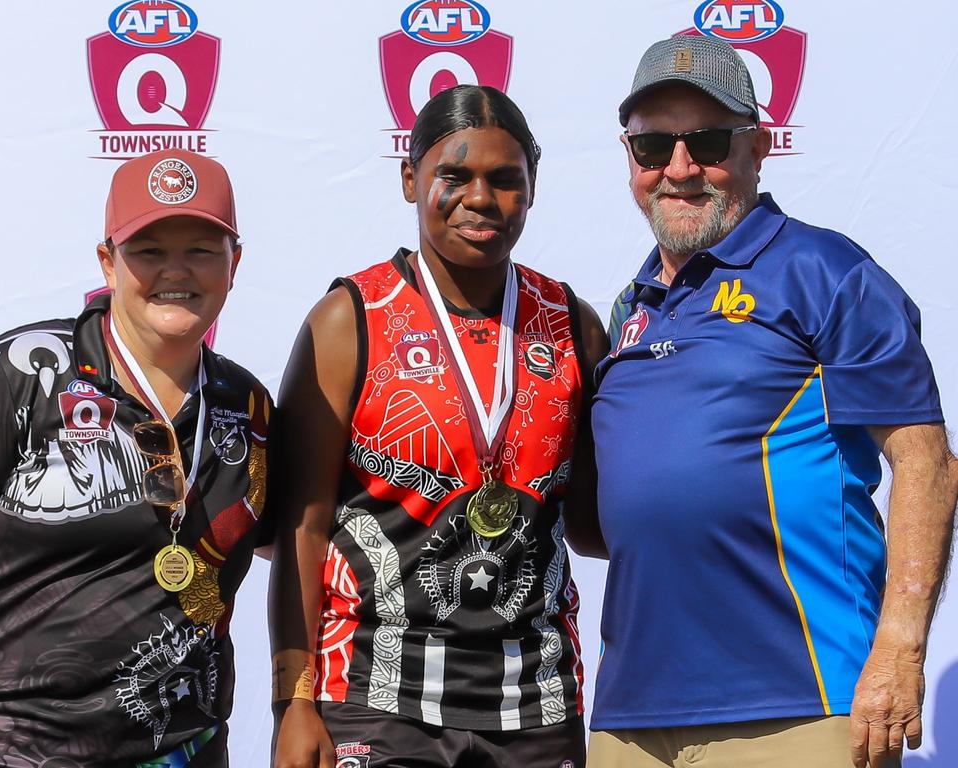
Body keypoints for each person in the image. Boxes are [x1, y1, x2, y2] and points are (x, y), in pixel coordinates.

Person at [588, 34, 958, 768]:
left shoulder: (825, 270)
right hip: (631, 716)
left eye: (709, 141)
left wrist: (898, 652)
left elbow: (928, 465)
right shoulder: (629, 307)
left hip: (797, 703)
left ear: (758, 147)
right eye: (654, 146)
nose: (680, 168)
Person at [271, 84, 608, 768]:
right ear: (409, 178)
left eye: (505, 180)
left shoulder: (572, 325)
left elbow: (594, 522)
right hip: (379, 696)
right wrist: (293, 702)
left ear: (533, 188)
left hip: (537, 706)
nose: (480, 199)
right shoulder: (350, 320)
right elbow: (299, 529)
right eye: (454, 176)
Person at [0, 148, 275, 767]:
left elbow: (306, 546)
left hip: (185, 751)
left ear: (235, 263)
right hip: (7, 748)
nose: (177, 271)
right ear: (107, 262)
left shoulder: (245, 405)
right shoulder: (21, 372)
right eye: (148, 250)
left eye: (201, 248)